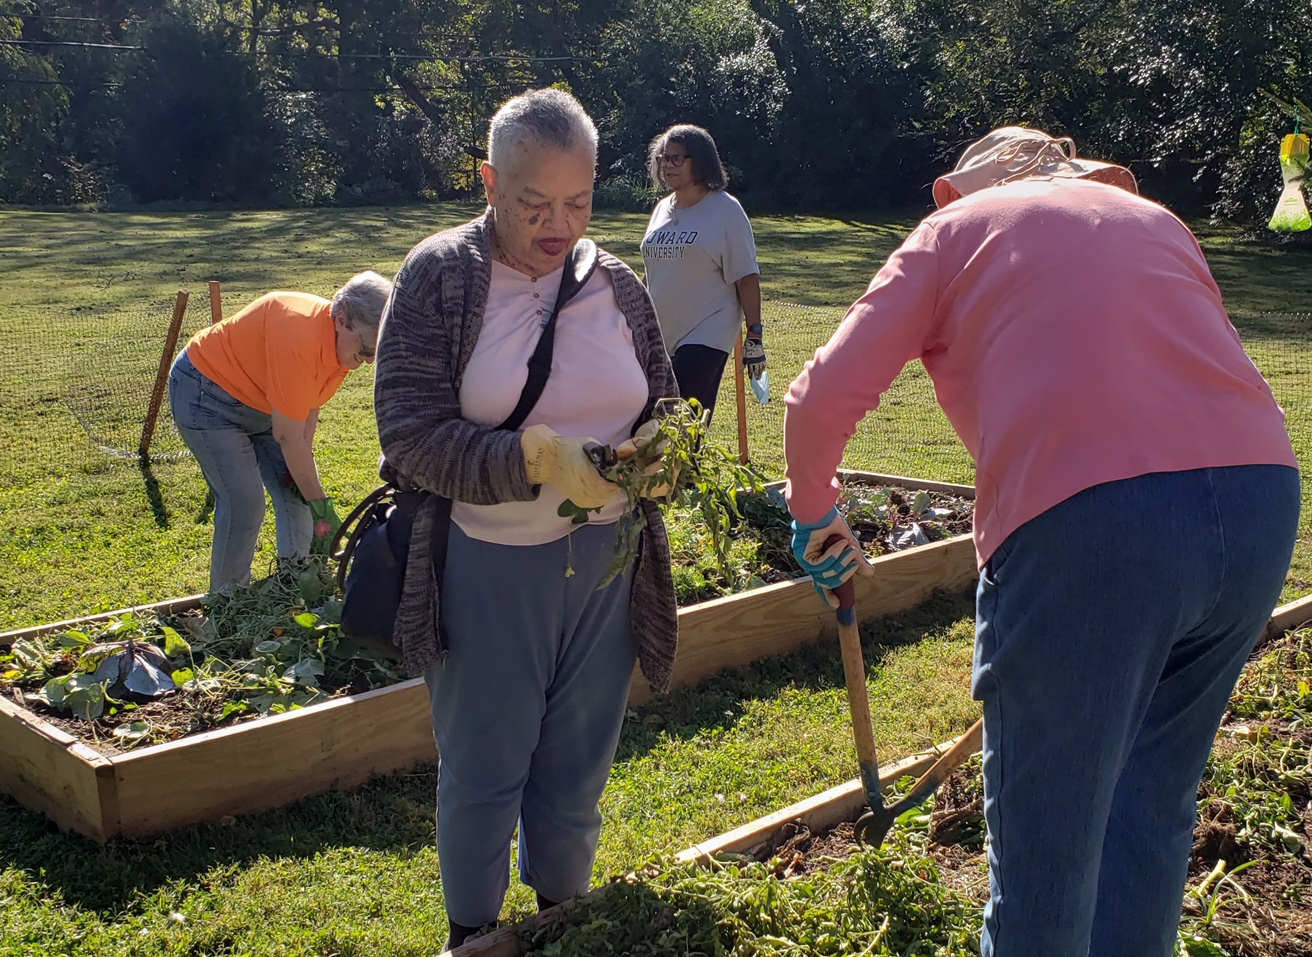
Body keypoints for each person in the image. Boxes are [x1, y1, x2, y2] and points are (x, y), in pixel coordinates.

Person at [783, 126, 1300, 957]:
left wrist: (814, 517)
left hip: (1094, 531)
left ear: (963, 188)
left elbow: (817, 399)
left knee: (1046, 862)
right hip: (1258, 504)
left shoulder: (953, 231)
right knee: (1149, 813)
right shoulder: (1156, 220)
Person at [372, 88, 679, 953]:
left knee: (577, 767)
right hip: (489, 561)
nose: (558, 226)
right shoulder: (440, 274)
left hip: (610, 563)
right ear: (489, 182)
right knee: (485, 767)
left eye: (578, 202)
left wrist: (662, 452)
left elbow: (666, 402)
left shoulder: (616, 283)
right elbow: (408, 435)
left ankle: (558, 921)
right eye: (534, 203)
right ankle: (471, 933)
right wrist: (531, 460)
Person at [169, 273, 391, 593]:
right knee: (244, 503)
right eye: (367, 349)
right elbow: (287, 435)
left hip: (264, 405)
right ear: (342, 319)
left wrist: (307, 490)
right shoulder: (300, 334)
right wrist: (322, 507)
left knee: (295, 489)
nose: (369, 361)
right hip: (207, 395)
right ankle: (228, 599)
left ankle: (297, 581)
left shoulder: (341, 348)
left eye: (375, 352)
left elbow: (307, 411)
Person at [640, 123, 765, 419]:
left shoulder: (726, 211)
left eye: (677, 158)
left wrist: (755, 336)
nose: (667, 165)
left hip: (707, 333)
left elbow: (746, 277)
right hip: (663, 333)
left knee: (682, 418)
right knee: (654, 419)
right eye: (663, 158)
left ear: (700, 161)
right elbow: (653, 271)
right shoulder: (662, 209)